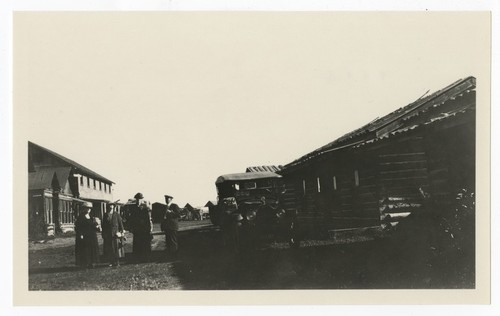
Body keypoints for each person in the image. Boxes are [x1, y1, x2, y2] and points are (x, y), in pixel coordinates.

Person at [75, 201, 100, 269]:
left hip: (92, 235)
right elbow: (78, 227)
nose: (88, 209)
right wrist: (80, 234)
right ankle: (85, 263)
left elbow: (94, 224)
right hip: (85, 235)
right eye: (87, 208)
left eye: (89, 208)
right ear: (84, 208)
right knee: (86, 250)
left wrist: (97, 226)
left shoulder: (91, 217)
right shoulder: (81, 217)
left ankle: (92, 263)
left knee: (92, 249)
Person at [128, 192, 152, 262]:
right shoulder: (133, 208)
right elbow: (132, 218)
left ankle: (146, 258)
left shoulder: (145, 207)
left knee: (145, 243)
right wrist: (132, 227)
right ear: (136, 199)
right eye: (137, 199)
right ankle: (137, 258)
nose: (138, 200)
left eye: (140, 199)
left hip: (144, 229)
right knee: (137, 243)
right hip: (137, 229)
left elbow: (148, 219)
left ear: (142, 200)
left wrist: (148, 229)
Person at [101, 201, 125, 267]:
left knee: (116, 248)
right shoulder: (106, 215)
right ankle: (111, 261)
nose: (111, 206)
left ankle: (117, 262)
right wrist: (103, 234)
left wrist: (122, 231)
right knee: (109, 248)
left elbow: (120, 223)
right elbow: (103, 225)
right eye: (110, 205)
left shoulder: (116, 214)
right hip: (108, 234)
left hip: (115, 234)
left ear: (114, 206)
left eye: (112, 205)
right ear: (108, 206)